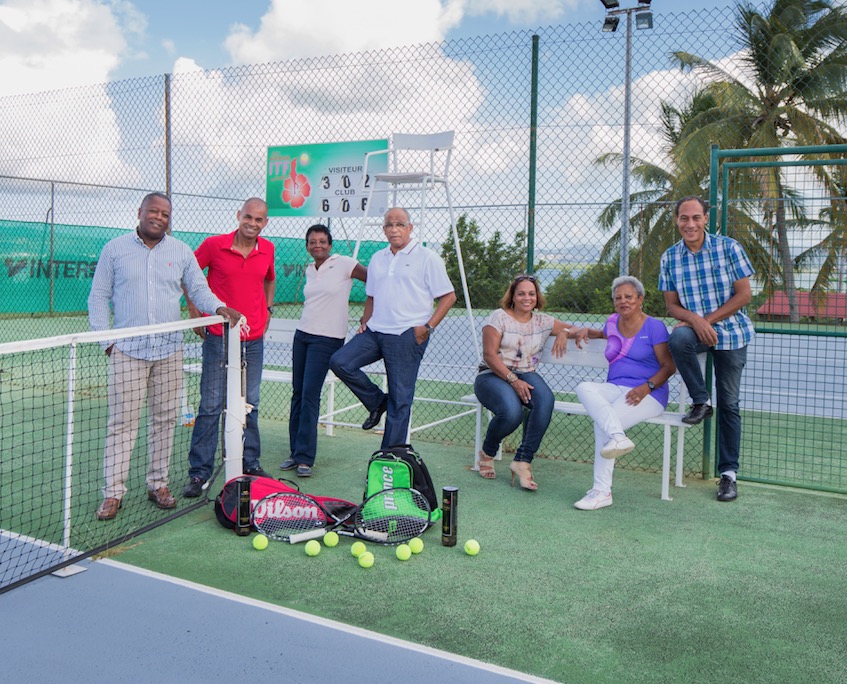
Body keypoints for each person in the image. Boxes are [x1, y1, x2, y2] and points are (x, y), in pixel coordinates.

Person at [88, 192, 241, 521]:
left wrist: (216, 307)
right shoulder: (114, 249)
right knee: (122, 425)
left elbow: (198, 288)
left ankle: (157, 484)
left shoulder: (181, 251)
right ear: (140, 212)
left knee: (164, 422)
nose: (159, 217)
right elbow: (98, 296)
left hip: (169, 350)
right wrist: (106, 341)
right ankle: (113, 493)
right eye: (153, 211)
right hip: (127, 351)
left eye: (165, 214)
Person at [329, 207, 456, 449]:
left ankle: (390, 458)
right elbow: (372, 295)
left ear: (410, 228)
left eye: (400, 224)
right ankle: (377, 402)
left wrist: (427, 327)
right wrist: (365, 322)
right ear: (384, 229)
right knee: (340, 362)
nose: (394, 229)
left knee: (400, 401)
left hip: (406, 335)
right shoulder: (378, 258)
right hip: (376, 331)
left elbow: (448, 296)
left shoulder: (427, 257)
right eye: (389, 224)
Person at [659, 195, 755, 502]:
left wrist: (706, 321)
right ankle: (701, 401)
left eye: (696, 218)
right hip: (696, 330)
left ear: (705, 219)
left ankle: (728, 475)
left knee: (730, 403)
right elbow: (672, 305)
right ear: (677, 220)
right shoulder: (670, 257)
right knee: (677, 339)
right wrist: (694, 321)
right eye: (684, 218)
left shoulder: (729, 248)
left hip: (732, 333)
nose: (690, 224)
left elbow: (743, 296)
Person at [183, 198, 276, 498]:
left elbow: (269, 281)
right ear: (238, 216)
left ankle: (250, 463)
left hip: (254, 340)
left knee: (251, 403)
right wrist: (195, 312)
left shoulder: (268, 250)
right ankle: (200, 474)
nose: (252, 223)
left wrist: (268, 310)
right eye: (247, 217)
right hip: (218, 336)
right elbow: (189, 277)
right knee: (210, 404)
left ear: (265, 223)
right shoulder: (213, 245)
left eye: (258, 220)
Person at [572, 276, 676, 510]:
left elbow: (669, 367)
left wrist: (646, 387)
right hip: (615, 388)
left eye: (629, 297)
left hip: (649, 393)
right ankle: (619, 438)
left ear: (640, 299)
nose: (623, 301)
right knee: (584, 387)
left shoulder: (654, 327)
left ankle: (601, 491)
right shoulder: (612, 322)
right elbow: (601, 334)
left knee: (604, 424)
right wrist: (579, 331)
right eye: (618, 298)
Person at [474, 274, 578, 491]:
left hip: (526, 373)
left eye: (531, 293)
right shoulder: (499, 317)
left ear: (537, 297)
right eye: (521, 293)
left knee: (545, 400)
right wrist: (513, 381)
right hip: (492, 374)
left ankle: (522, 461)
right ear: (512, 296)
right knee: (512, 413)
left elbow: (577, 329)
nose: (526, 298)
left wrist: (564, 332)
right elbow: (490, 356)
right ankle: (487, 451)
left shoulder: (543, 321)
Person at [280, 224, 367, 477]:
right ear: (307, 246)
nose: (317, 245)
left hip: (327, 339)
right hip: (303, 335)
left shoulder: (344, 264)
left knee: (309, 395)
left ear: (330, 244)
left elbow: (375, 281)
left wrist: (367, 315)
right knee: (298, 394)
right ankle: (295, 453)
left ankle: (306, 457)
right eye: (312, 242)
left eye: (322, 241)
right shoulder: (309, 269)